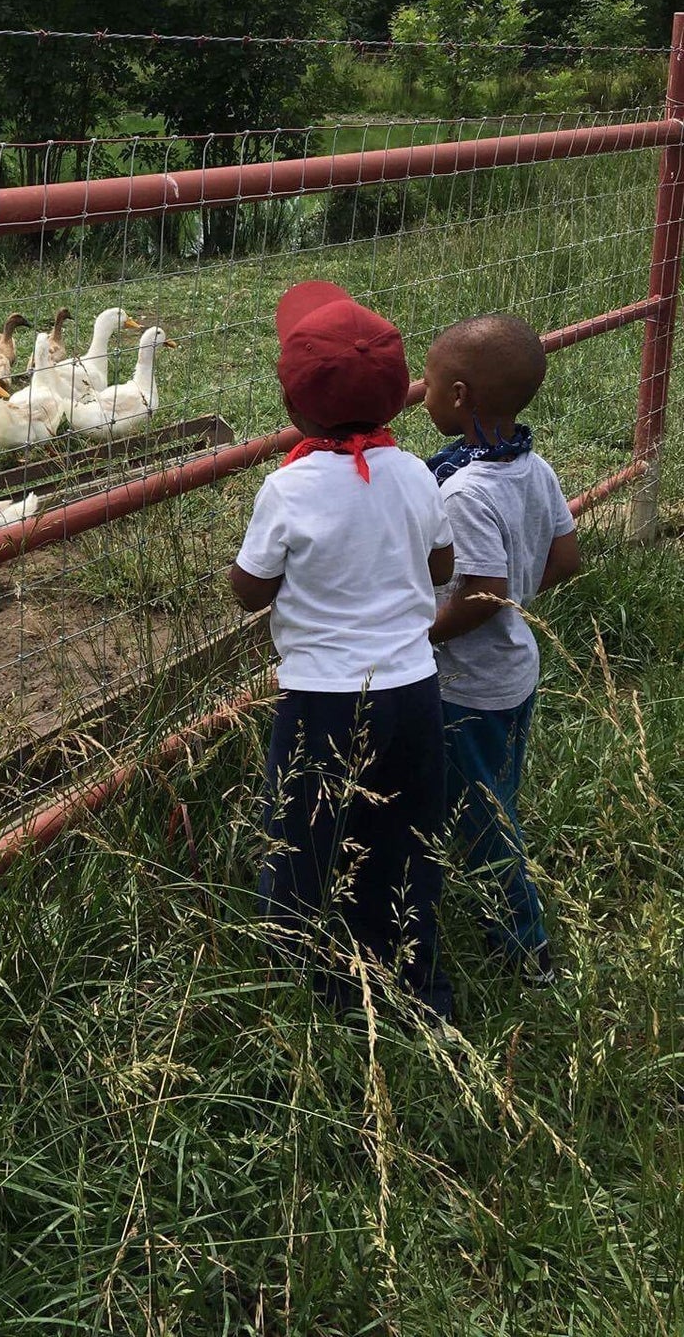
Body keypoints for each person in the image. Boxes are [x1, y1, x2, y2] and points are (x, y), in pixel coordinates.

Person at [230, 280, 456, 1018]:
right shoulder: (418, 472)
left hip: (323, 699)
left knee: (306, 843)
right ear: (398, 398)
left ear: (293, 406)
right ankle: (421, 989)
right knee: (405, 838)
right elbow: (440, 567)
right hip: (415, 690)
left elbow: (249, 589)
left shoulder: (287, 488)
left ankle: (311, 993)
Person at [422, 314, 581, 980]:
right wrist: (520, 589)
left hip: (468, 686)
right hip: (514, 671)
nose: (418, 392)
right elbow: (565, 556)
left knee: (484, 826)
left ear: (458, 396)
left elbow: (482, 590)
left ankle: (525, 949)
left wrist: (415, 632)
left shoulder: (463, 490)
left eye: (425, 382)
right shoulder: (531, 465)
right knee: (493, 797)